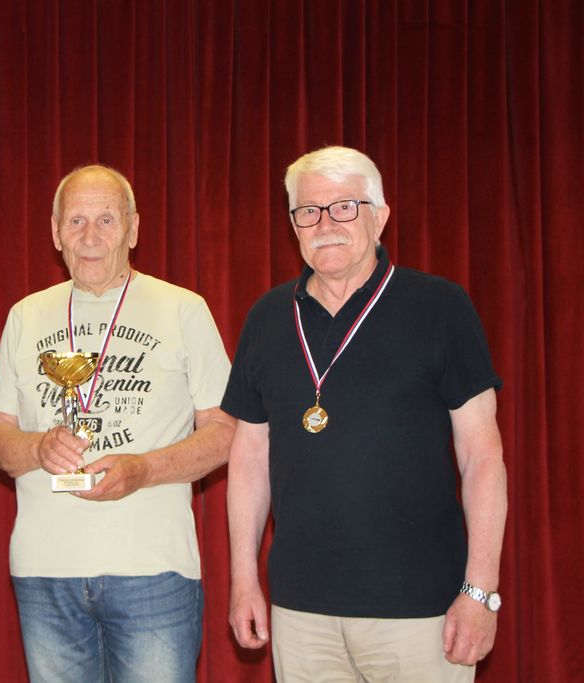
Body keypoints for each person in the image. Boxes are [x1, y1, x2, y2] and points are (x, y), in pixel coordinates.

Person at [223, 146, 507, 681]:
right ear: (293, 224)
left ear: (380, 217)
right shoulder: (266, 318)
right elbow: (248, 458)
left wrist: (480, 592)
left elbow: (482, 457)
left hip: (421, 610)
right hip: (300, 612)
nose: (325, 224)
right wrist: (244, 579)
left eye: (344, 207)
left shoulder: (441, 308)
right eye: (308, 211)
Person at [0, 164, 235, 682]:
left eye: (106, 220)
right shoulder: (26, 315)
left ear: (133, 229)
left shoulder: (184, 309)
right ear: (56, 233)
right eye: (75, 221)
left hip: (152, 570)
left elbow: (226, 432)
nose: (90, 237)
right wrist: (37, 448)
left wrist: (143, 469)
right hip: (45, 571)